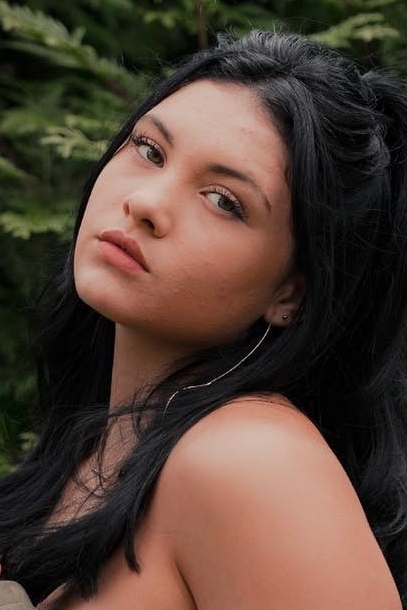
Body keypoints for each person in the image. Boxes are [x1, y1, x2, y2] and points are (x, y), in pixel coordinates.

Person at [0, 29, 406, 610]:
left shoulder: (251, 458)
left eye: (223, 200)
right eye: (149, 150)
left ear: (292, 293)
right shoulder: (99, 447)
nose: (146, 203)